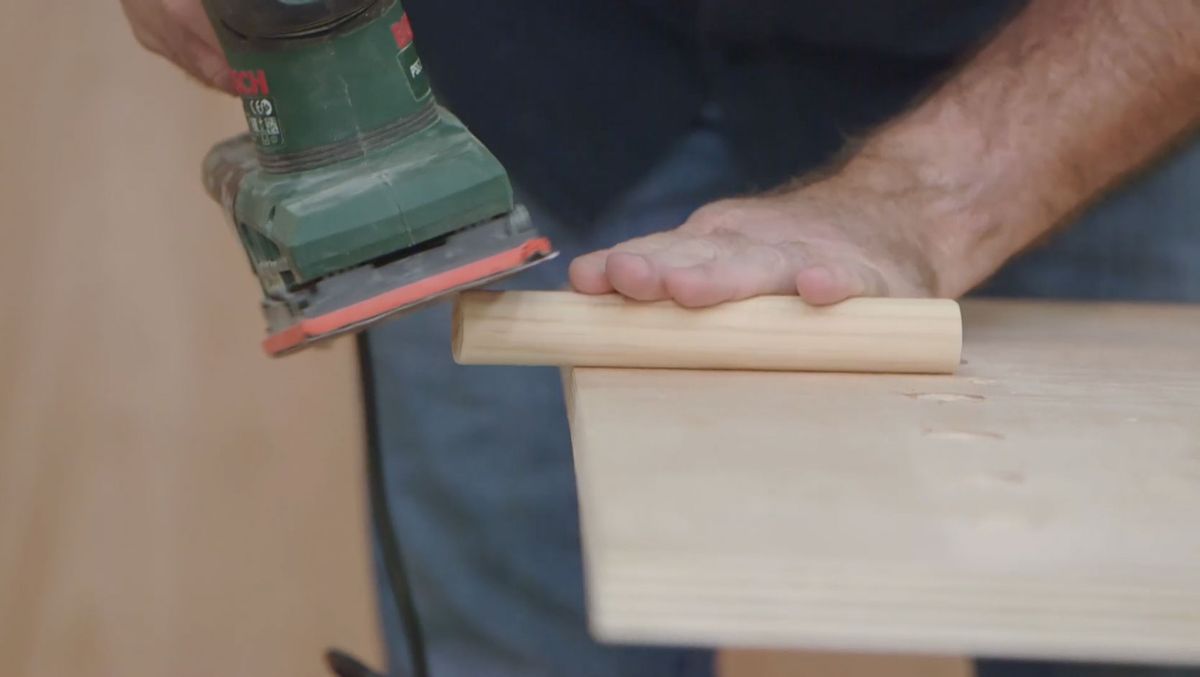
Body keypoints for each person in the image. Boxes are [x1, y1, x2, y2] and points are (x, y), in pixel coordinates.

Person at [121, 1, 1200, 676]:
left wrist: (933, 193)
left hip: (1065, 71)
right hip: (538, 75)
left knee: (1131, 631)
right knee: (513, 649)